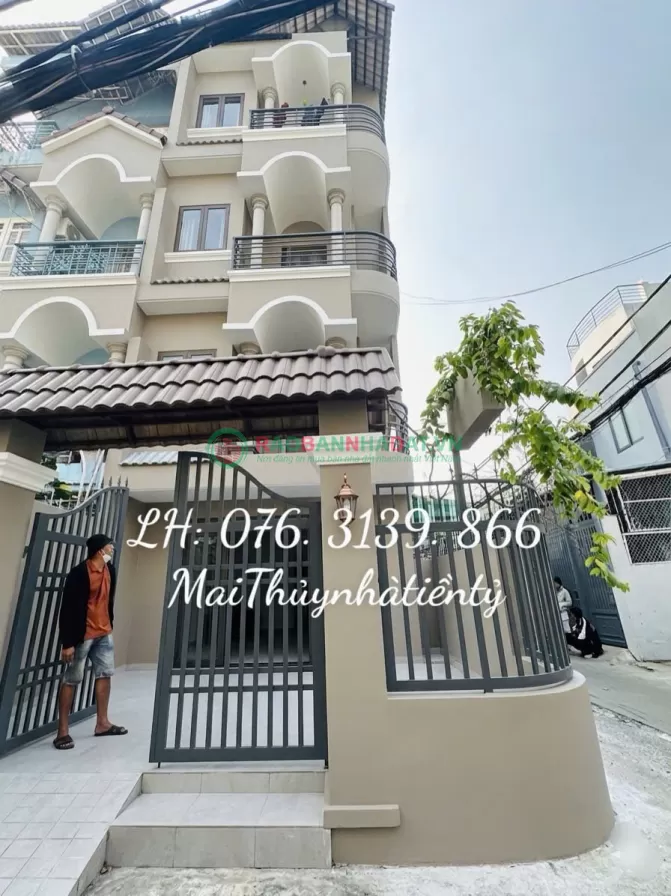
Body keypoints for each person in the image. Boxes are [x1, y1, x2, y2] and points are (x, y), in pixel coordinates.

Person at [53, 533, 128, 750]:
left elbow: (108, 600)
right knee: (72, 679)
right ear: (99, 550)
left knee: (105, 674)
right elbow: (68, 608)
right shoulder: (79, 573)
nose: (112, 550)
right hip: (82, 635)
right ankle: (62, 732)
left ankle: (102, 723)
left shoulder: (110, 570)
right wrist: (67, 642)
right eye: (109, 547)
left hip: (104, 632)